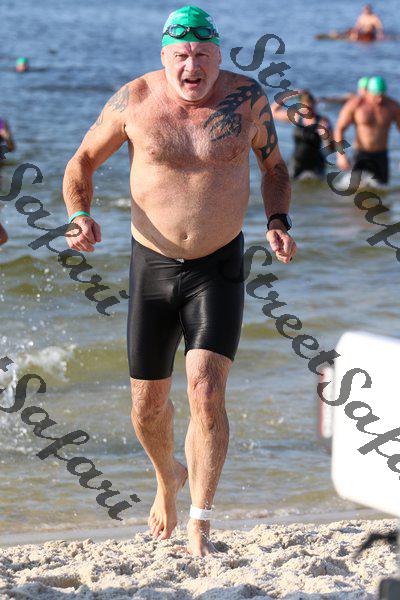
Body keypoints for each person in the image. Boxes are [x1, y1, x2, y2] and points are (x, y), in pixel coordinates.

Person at [62, 5, 296, 557]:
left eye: (203, 55)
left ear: (218, 55)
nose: (193, 67)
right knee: (147, 407)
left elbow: (274, 168)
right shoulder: (134, 100)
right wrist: (79, 215)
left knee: (206, 391)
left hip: (219, 264)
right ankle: (168, 480)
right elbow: (81, 162)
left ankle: (200, 521)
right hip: (153, 264)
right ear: (165, 56)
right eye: (182, 56)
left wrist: (278, 220)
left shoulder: (247, 99)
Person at [335, 76, 400, 185]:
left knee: (381, 190)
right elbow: (339, 129)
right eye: (376, 96)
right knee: (354, 189)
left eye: (382, 95)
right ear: (368, 92)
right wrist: (341, 155)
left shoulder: (392, 106)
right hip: (361, 154)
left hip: (381, 156)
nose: (379, 99)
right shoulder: (355, 105)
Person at [272, 90, 334, 179]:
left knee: (318, 186)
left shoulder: (322, 121)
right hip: (297, 162)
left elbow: (331, 148)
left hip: (316, 164)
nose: (307, 111)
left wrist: (326, 135)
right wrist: (289, 95)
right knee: (288, 184)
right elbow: (273, 112)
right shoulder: (296, 118)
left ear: (314, 105)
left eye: (310, 107)